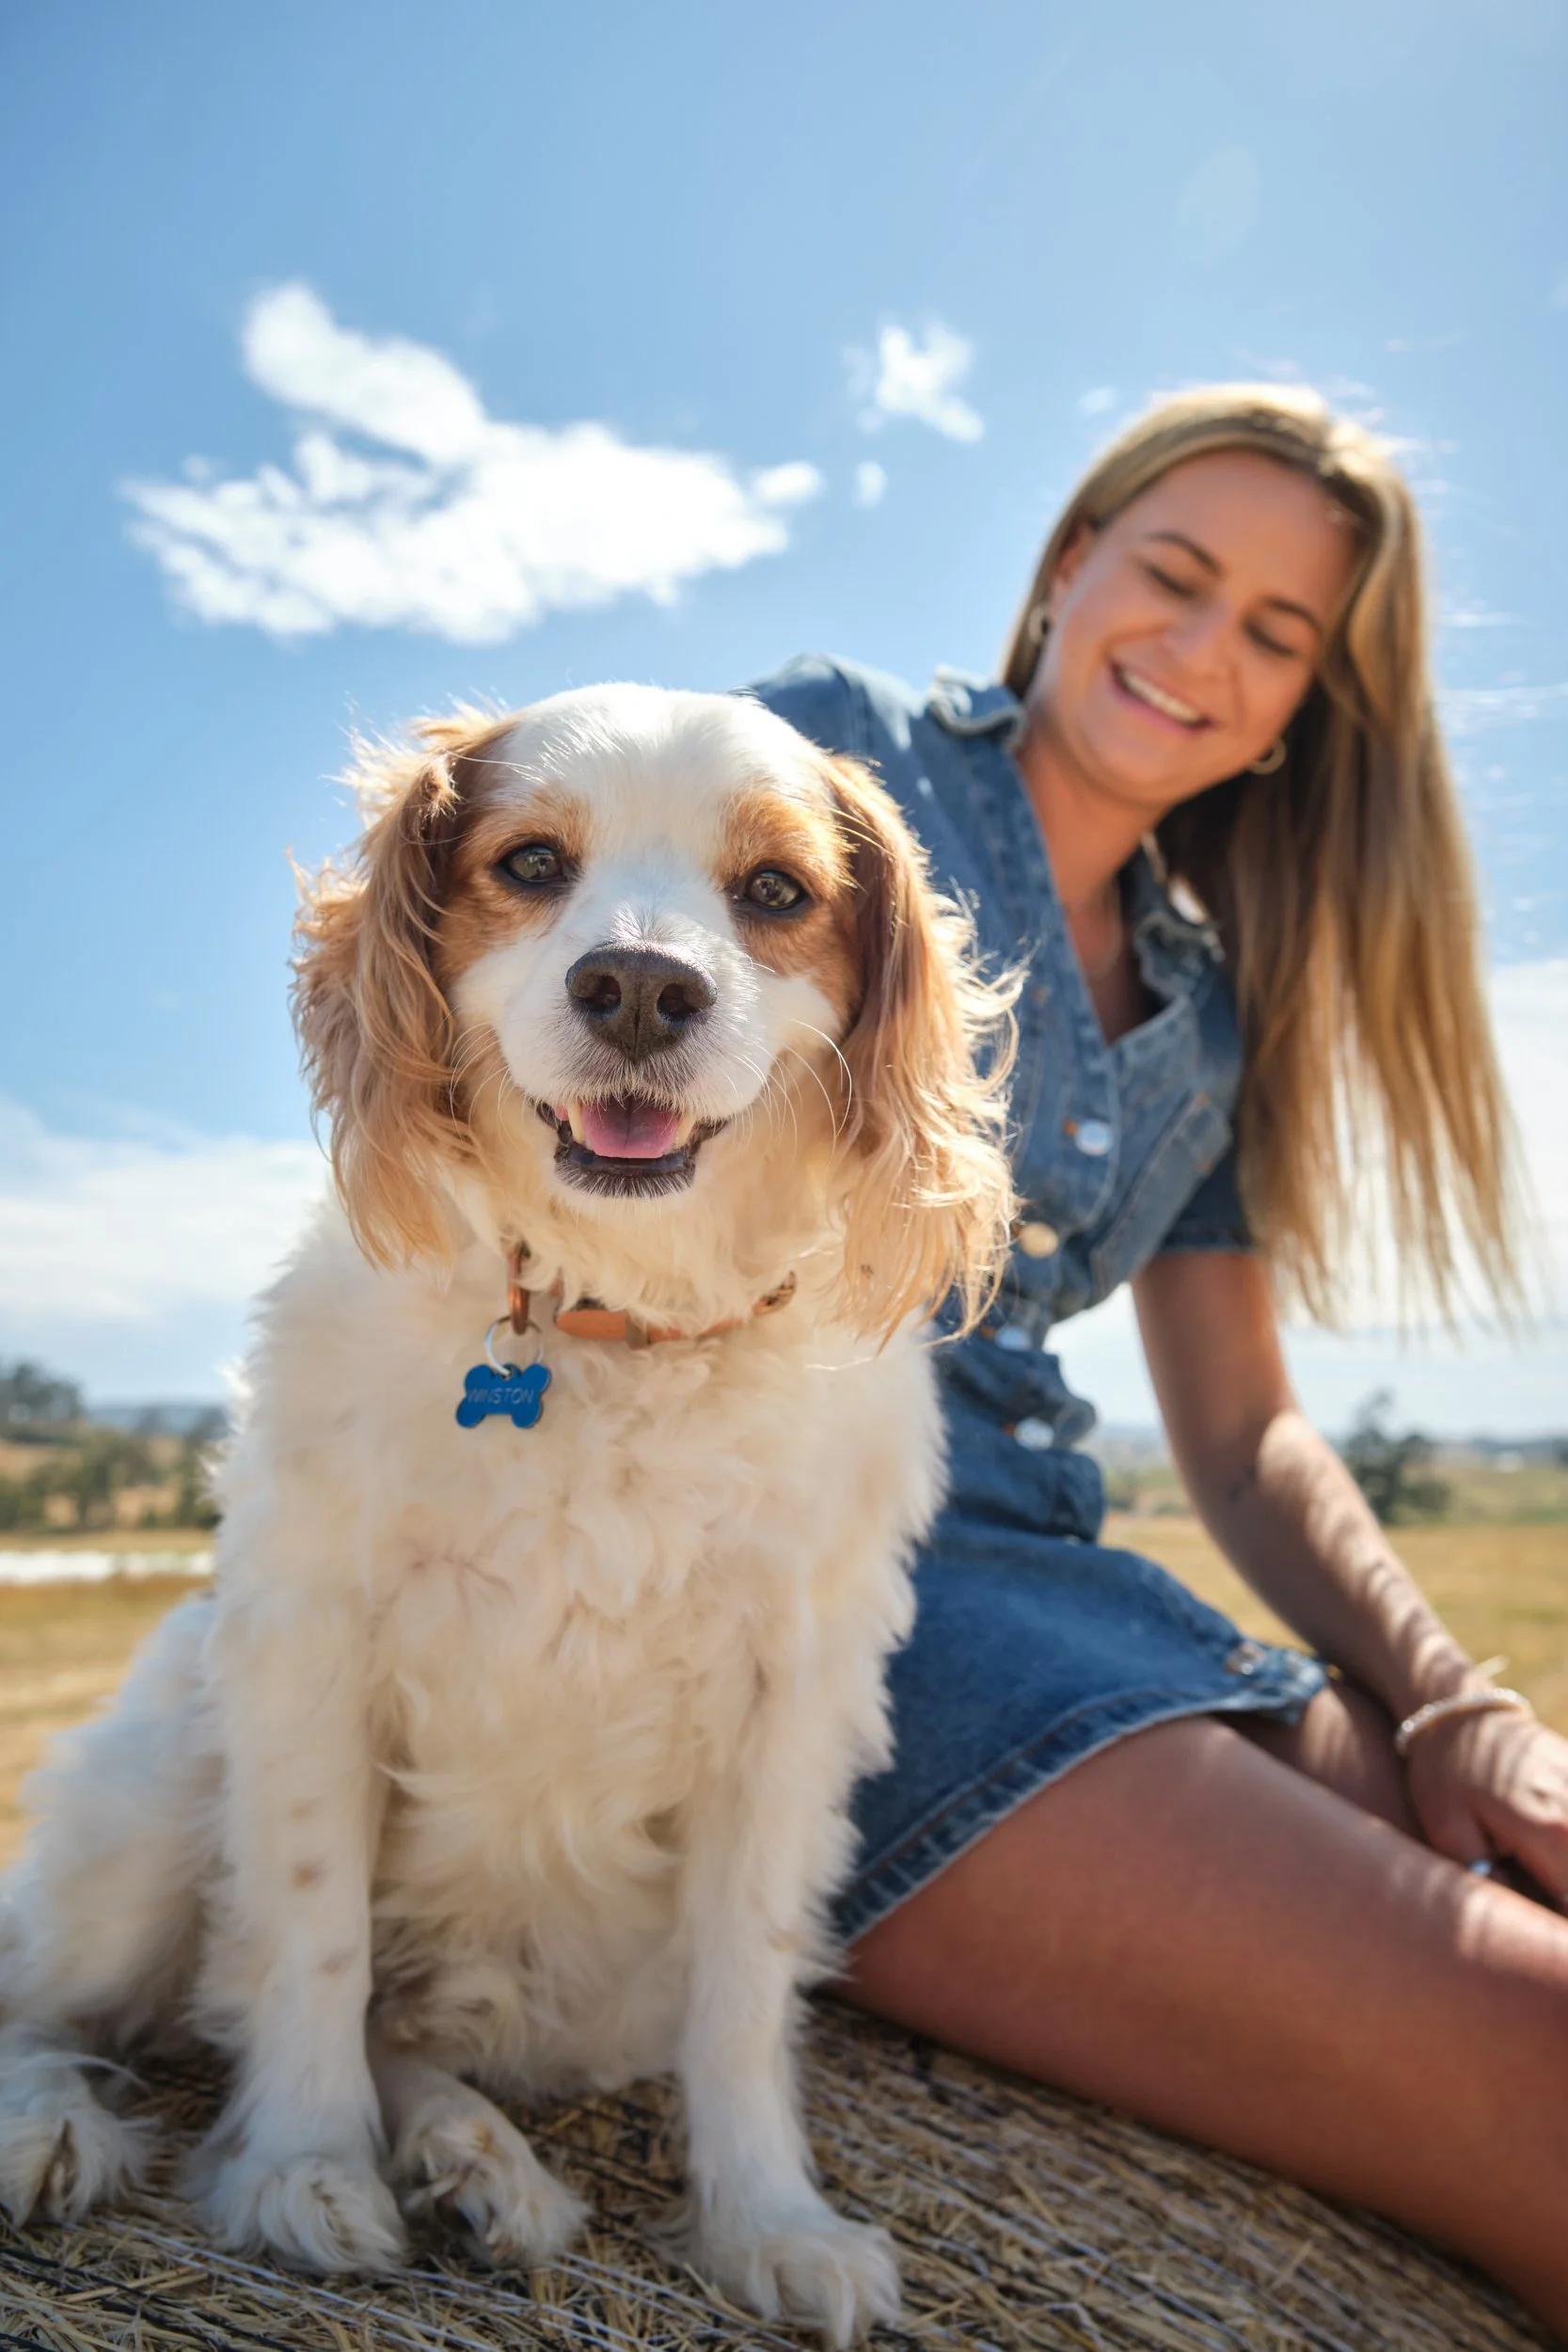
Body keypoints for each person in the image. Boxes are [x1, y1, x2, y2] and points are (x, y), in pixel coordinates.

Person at [743, 386, 1568, 2333]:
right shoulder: (831, 760)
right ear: (1062, 567)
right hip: (811, 1587)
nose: (1203, 652)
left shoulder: (1205, 1012)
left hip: (1050, 1562)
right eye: (1173, 577)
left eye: (1275, 634)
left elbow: (1242, 1424)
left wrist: (1449, 1696)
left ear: (1303, 708)